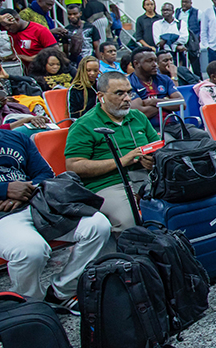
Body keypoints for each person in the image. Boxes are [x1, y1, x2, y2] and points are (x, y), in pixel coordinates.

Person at [0, 89, 110, 310]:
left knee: (98, 225)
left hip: (35, 202)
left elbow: (44, 174)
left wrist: (24, 190)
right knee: (31, 249)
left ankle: (62, 291)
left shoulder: (16, 138)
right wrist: (3, 189)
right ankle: (32, 305)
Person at [65, 72, 159, 233]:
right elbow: (74, 166)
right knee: (130, 221)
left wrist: (153, 160)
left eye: (129, 92)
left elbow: (157, 146)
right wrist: (121, 161)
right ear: (101, 96)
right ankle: (129, 256)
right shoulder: (84, 125)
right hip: (109, 184)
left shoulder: (137, 116)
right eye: (119, 93)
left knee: (178, 202)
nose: (128, 98)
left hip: (147, 178)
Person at [126, 47, 184, 122]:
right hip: (150, 129)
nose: (155, 64)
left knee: (201, 134)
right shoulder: (128, 83)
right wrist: (166, 101)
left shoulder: (164, 79)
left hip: (174, 125)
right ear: (136, 64)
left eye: (156, 61)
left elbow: (181, 103)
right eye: (150, 61)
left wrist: (153, 102)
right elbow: (141, 113)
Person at [175, 0, 201, 78]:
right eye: (182, 2)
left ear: (191, 3)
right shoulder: (177, 12)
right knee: (182, 62)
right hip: (181, 40)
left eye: (186, 2)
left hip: (192, 41)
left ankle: (198, 79)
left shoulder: (197, 12)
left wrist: (198, 40)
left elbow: (201, 27)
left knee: (195, 63)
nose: (184, 4)